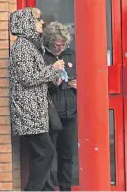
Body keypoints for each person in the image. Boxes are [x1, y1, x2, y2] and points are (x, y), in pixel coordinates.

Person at [8, 7, 64, 191]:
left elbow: (36, 76)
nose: (42, 23)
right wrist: (52, 69)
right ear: (27, 23)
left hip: (35, 109)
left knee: (44, 153)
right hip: (29, 110)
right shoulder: (23, 46)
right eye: (38, 19)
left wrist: (53, 77)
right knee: (46, 152)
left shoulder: (32, 45)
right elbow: (27, 77)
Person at [42, 21, 77, 191]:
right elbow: (39, 82)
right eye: (57, 45)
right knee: (48, 154)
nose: (60, 49)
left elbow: (82, 77)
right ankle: (48, 188)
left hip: (70, 111)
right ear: (49, 42)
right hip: (51, 112)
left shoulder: (71, 54)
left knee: (67, 154)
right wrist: (55, 81)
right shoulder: (43, 55)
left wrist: (78, 84)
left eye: (63, 45)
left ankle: (66, 188)